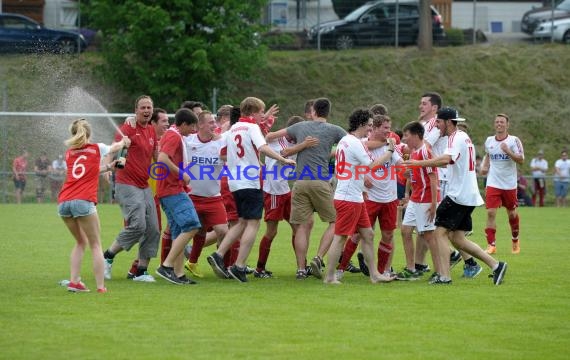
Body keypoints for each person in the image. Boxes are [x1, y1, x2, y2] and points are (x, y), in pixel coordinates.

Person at [404, 107, 507, 285]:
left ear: (448, 122)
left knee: (438, 233)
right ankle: (496, 265)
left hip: (458, 195)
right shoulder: (462, 137)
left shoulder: (455, 138)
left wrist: (419, 163)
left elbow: (446, 160)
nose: (436, 126)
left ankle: (444, 276)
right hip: (468, 194)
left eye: (439, 123)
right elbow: (451, 163)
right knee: (457, 238)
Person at [207, 97, 295, 282]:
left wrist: (240, 161)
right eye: (261, 112)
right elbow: (262, 147)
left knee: (240, 222)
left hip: (234, 181)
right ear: (253, 112)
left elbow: (222, 154)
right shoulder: (252, 127)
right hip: (250, 180)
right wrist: (283, 159)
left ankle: (219, 254)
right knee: (253, 223)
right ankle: (239, 266)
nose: (263, 116)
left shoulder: (232, 129)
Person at [266, 98, 346, 279]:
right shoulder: (335, 130)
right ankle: (318, 258)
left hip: (300, 183)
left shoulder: (300, 127)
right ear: (328, 112)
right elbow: (351, 145)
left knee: (301, 227)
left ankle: (301, 269)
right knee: (336, 222)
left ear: (314, 111)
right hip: (320, 181)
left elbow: (271, 137)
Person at [323, 108, 395, 284]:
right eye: (369, 126)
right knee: (340, 237)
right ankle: (330, 276)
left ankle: (374, 275)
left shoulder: (345, 141)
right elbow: (372, 165)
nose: (370, 130)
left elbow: (355, 167)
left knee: (368, 234)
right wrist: (390, 151)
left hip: (354, 196)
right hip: (349, 198)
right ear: (361, 124)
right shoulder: (354, 142)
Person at [58, 118, 130, 293]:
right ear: (89, 133)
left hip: (64, 202)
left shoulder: (70, 153)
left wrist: (108, 168)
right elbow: (116, 146)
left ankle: (74, 282)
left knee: (80, 242)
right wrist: (124, 142)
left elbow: (85, 171)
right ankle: (100, 287)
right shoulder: (97, 148)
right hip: (83, 201)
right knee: (96, 244)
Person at [103, 95, 160, 283]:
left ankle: (141, 271)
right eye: (142, 107)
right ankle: (108, 256)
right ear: (135, 110)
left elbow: (156, 156)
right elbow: (113, 148)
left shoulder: (151, 130)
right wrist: (107, 167)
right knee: (138, 225)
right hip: (127, 183)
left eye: (149, 107)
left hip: (144, 185)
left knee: (153, 228)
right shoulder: (127, 128)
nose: (146, 110)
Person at [254, 115, 318, 278]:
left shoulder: (298, 142)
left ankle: (301, 267)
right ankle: (259, 269)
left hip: (286, 191)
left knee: (298, 228)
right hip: (273, 190)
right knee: (272, 231)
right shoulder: (278, 141)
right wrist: (304, 144)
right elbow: (283, 153)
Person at [155, 108, 202, 285]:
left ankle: (178, 274)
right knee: (192, 225)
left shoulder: (174, 134)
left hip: (167, 190)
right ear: (183, 124)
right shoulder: (174, 136)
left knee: (178, 231)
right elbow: (162, 158)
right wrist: (182, 173)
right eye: (192, 127)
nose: (194, 131)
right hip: (172, 189)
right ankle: (166, 266)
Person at [182, 110, 228, 278]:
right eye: (210, 123)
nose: (214, 126)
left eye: (215, 123)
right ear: (200, 124)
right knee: (193, 232)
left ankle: (220, 261)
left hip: (213, 197)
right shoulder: (188, 141)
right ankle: (184, 264)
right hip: (191, 197)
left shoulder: (221, 142)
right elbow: (172, 132)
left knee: (223, 230)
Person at [397, 121, 442, 281]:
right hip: (416, 198)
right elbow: (419, 175)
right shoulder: (415, 153)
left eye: (406, 135)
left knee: (429, 235)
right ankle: (411, 269)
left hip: (426, 199)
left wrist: (433, 204)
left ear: (416, 135)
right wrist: (409, 189)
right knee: (405, 230)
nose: (404, 139)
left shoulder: (425, 152)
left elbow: (433, 178)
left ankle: (439, 272)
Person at [481, 114, 525, 255]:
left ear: (507, 125)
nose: (499, 124)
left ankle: (515, 240)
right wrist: (485, 166)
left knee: (512, 214)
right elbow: (488, 155)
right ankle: (491, 245)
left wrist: (508, 151)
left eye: (502, 122)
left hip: (509, 184)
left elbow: (521, 159)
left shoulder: (514, 140)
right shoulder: (489, 141)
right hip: (493, 181)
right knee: (490, 212)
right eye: (497, 122)